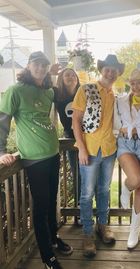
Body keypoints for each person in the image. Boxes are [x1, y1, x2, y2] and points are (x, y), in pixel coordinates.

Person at [0, 51, 73, 269]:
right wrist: (1, 150)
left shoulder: (48, 91)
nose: (40, 68)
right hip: (33, 159)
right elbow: (3, 122)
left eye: (44, 65)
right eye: (36, 64)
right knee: (40, 207)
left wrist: (61, 76)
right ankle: (47, 256)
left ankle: (53, 238)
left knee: (51, 202)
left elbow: (67, 96)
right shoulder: (15, 91)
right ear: (29, 66)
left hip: (52, 153)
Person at [72, 54, 125, 257]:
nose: (110, 73)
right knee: (86, 194)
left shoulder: (116, 95)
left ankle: (102, 226)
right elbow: (76, 121)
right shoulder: (86, 89)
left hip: (109, 150)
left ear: (118, 73)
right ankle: (87, 233)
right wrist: (82, 148)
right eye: (107, 69)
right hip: (90, 150)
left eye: (114, 70)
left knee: (104, 190)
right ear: (101, 70)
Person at [117, 69, 140, 249]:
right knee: (135, 180)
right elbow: (112, 120)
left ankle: (134, 231)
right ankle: (125, 187)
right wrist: (119, 129)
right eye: (132, 83)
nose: (136, 86)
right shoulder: (122, 101)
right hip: (125, 144)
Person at [53, 68, 82, 225]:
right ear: (61, 79)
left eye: (73, 74)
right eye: (67, 75)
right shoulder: (57, 95)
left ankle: (87, 213)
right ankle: (78, 214)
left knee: (89, 178)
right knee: (77, 177)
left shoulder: (83, 94)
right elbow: (43, 89)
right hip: (71, 142)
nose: (71, 77)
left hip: (86, 140)